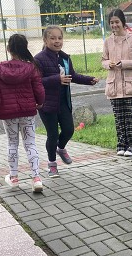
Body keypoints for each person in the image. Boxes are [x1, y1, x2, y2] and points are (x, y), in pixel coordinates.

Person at [34, 25, 99, 178]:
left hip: (63, 102)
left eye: (60, 38)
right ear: (45, 40)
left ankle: (60, 148)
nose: (57, 41)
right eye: (53, 38)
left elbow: (73, 76)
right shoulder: (38, 59)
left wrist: (90, 80)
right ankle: (52, 165)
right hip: (46, 104)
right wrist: (57, 79)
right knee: (52, 135)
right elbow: (36, 81)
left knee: (69, 130)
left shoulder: (65, 58)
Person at [0, 34, 46, 192]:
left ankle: (13, 177)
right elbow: (39, 89)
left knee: (12, 143)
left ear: (8, 49)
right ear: (25, 48)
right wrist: (40, 102)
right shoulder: (32, 68)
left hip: (8, 112)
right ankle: (36, 178)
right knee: (30, 143)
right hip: (27, 112)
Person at [101, 9, 132, 157]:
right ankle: (122, 145)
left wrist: (123, 63)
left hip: (129, 85)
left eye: (117, 22)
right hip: (114, 86)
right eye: (111, 22)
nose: (114, 25)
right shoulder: (107, 41)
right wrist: (109, 64)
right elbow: (103, 60)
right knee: (119, 118)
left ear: (123, 22)